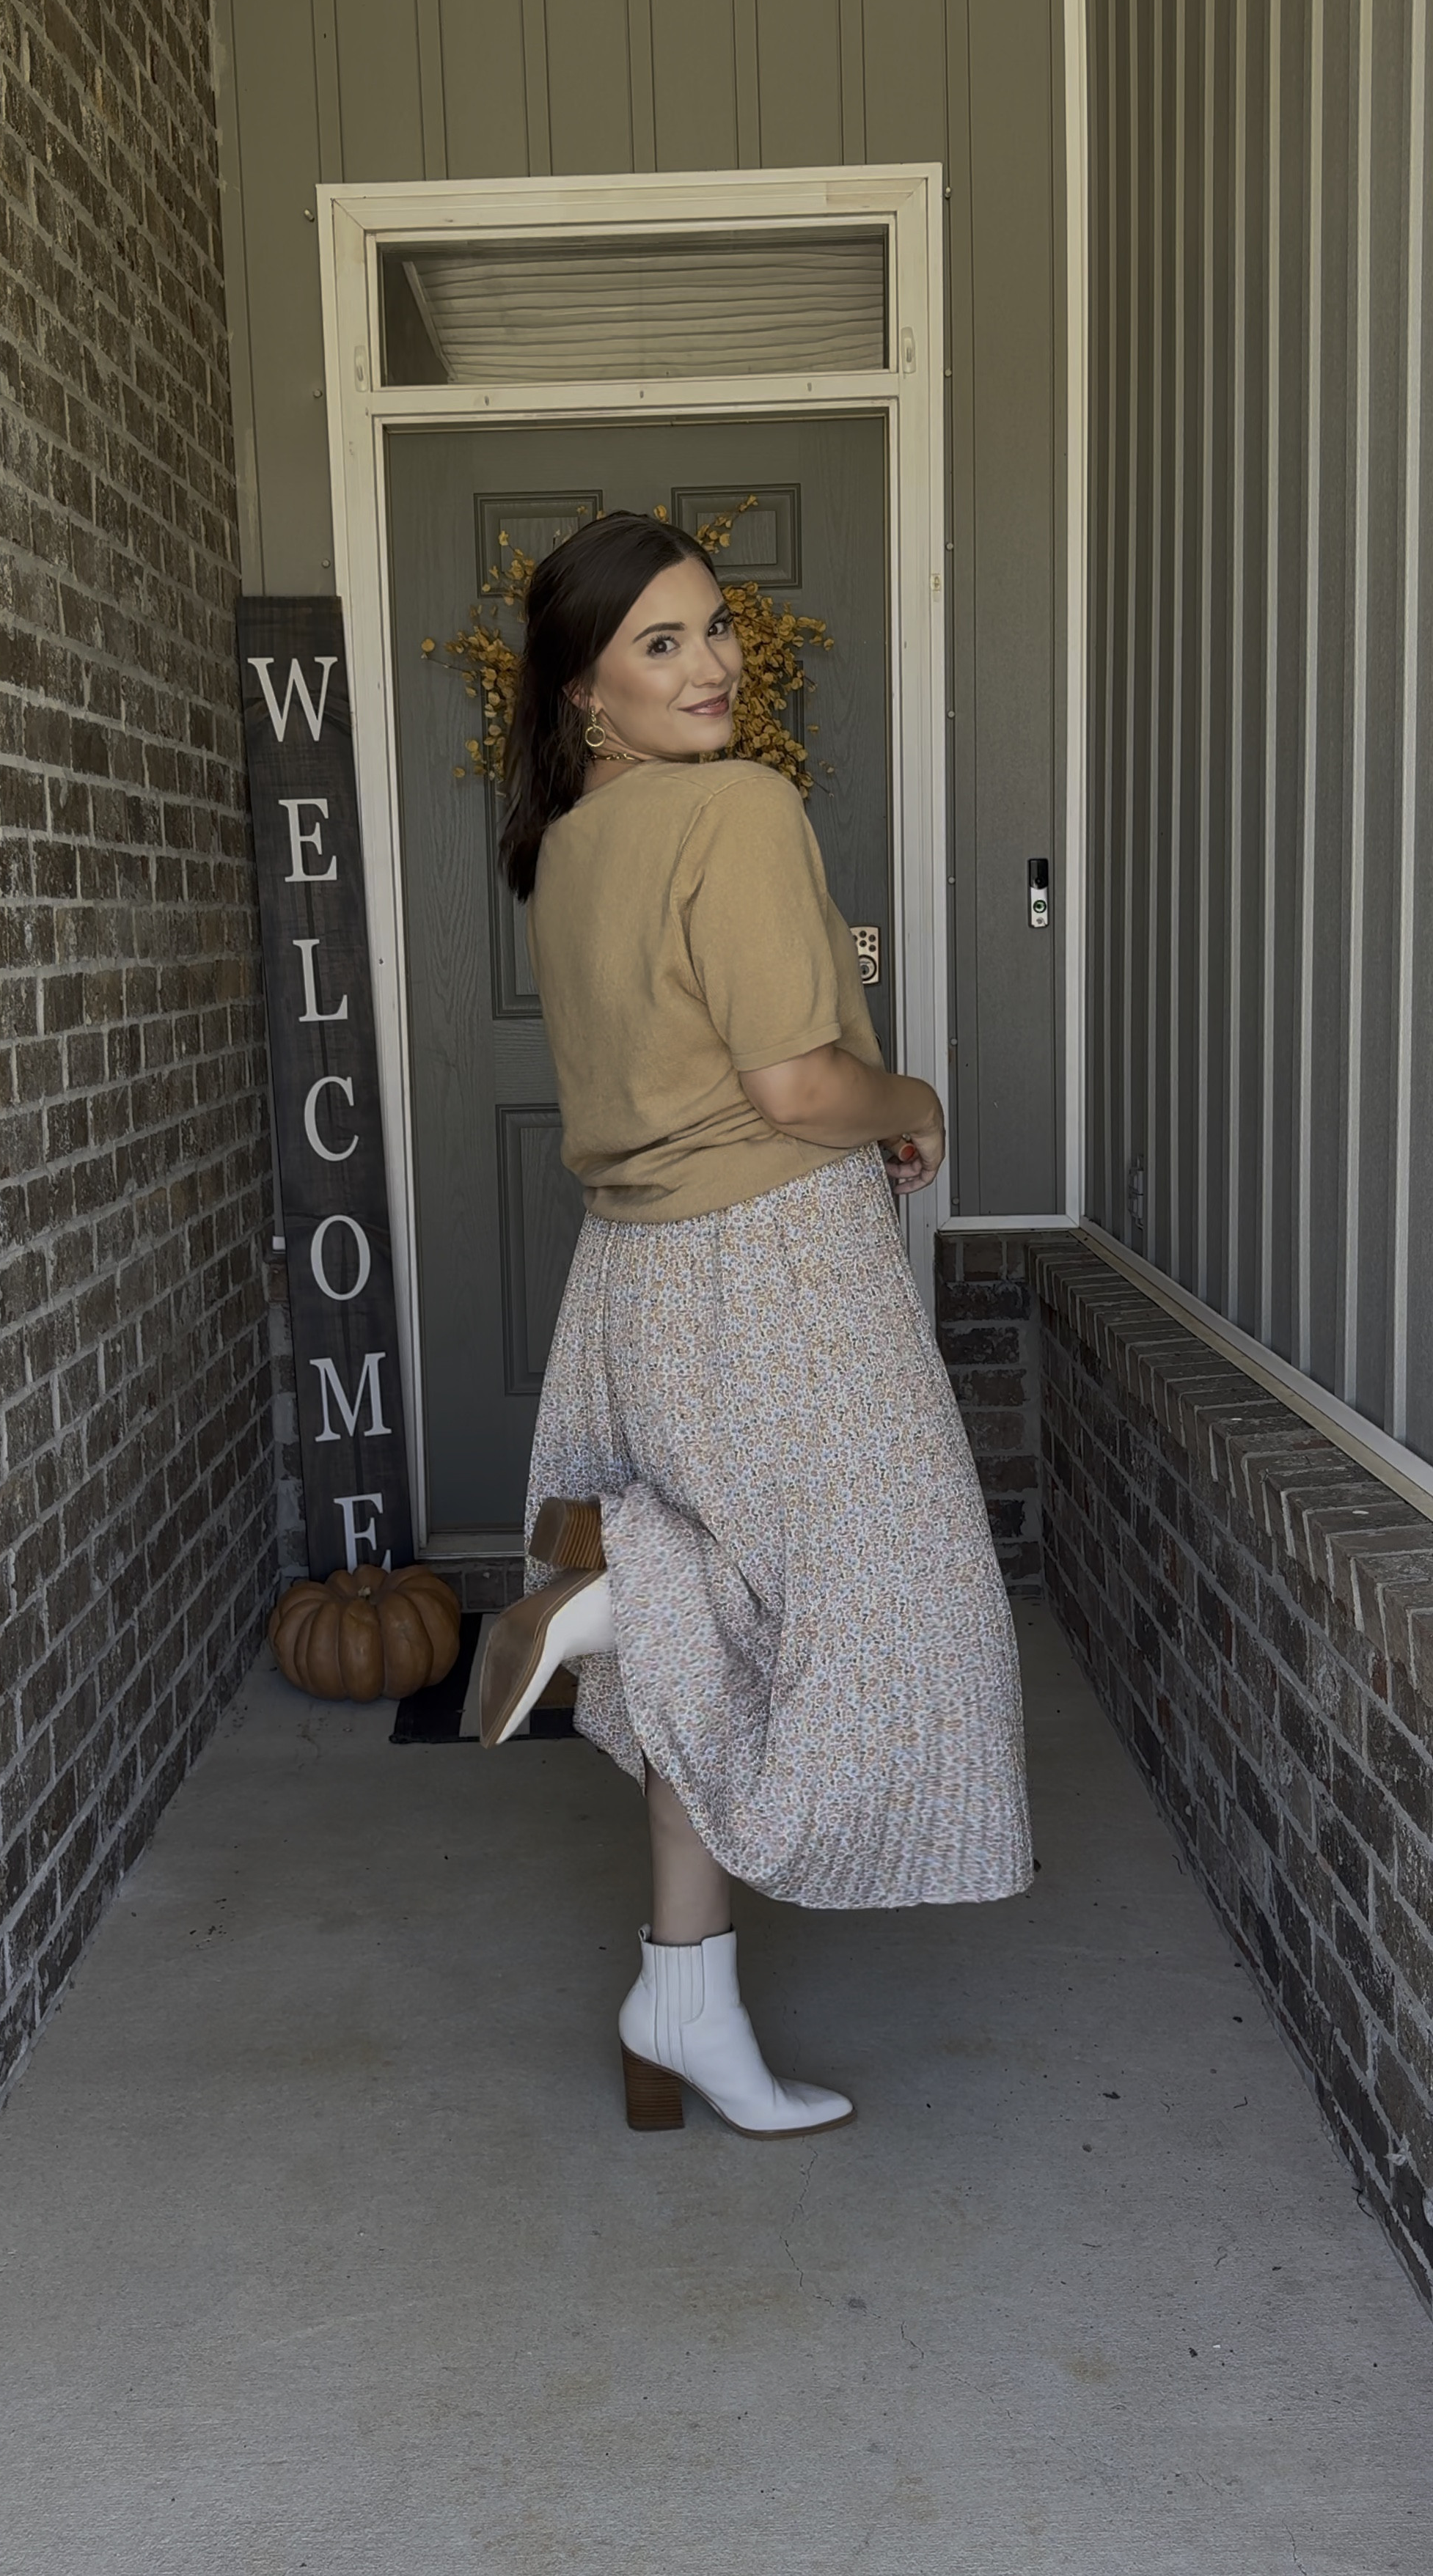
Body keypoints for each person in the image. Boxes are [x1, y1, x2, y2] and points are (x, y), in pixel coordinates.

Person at [477, 512, 1031, 2140]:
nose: (711, 665)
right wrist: (913, 1096)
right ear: (587, 692)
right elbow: (796, 1086)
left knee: (732, 1635)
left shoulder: (566, 847)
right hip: (778, 1263)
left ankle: (683, 1997)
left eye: (717, 629)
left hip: (636, 1276)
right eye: (661, 644)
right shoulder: (742, 808)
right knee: (896, 1598)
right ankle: (602, 1601)